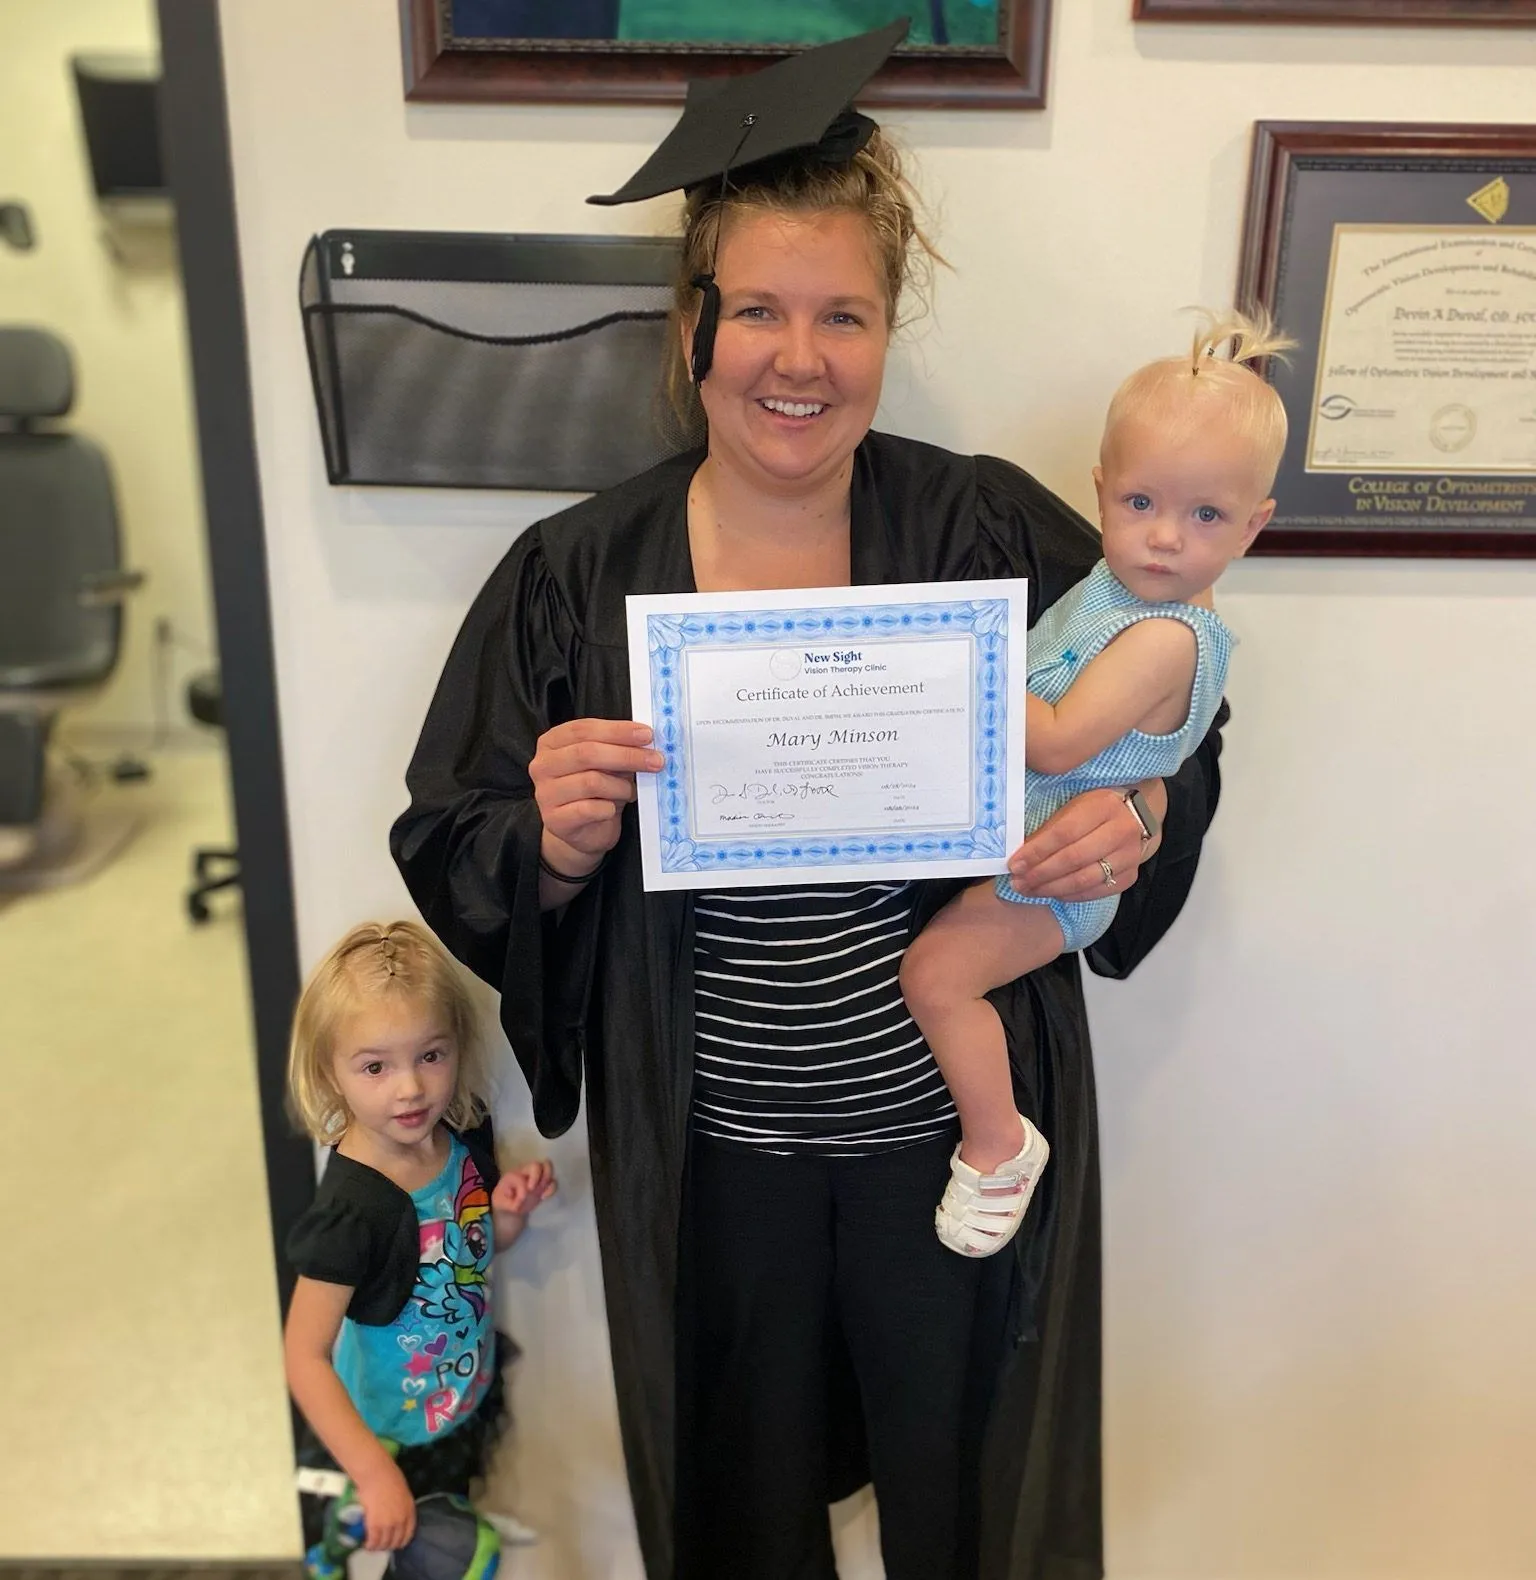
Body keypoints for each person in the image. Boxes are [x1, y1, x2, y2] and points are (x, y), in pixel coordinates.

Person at [391, 24, 1228, 1580]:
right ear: (691, 325)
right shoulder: (578, 575)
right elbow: (459, 837)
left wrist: (1146, 815)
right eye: (759, 309)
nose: (799, 357)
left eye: (843, 313)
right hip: (720, 1162)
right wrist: (554, 839)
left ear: (888, 326)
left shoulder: (981, 522)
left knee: (974, 1501)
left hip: (955, 1146)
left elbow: (1176, 717)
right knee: (737, 1506)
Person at [901, 312, 1291, 1259]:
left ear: (1253, 525)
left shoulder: (1166, 636)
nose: (1164, 539)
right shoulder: (1114, 589)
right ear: (1102, 491)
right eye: (1143, 503)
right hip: (1023, 839)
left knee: (937, 976)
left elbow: (1059, 742)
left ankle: (999, 1146)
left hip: (1053, 871)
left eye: (1205, 517)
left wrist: (951, 660)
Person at [282, 920, 556, 1574]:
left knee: (445, 1535)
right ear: (331, 1070)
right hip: (388, 1434)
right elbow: (303, 1355)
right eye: (375, 1066)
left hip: (455, 1402)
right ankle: (342, 1524)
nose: (410, 1088)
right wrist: (375, 1475)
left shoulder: (457, 1144)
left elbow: (470, 1254)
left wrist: (506, 1216)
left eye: (430, 1056)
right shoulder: (354, 1209)